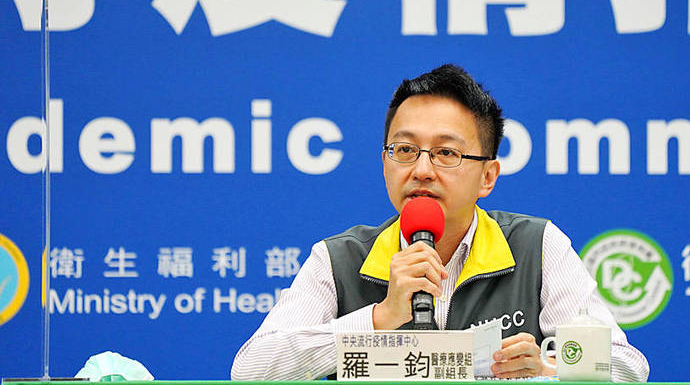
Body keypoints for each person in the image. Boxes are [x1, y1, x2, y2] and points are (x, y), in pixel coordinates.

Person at [231, 64, 649, 381]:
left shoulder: (536, 246)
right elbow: (251, 370)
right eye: (404, 150)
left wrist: (549, 369)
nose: (422, 170)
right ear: (385, 163)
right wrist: (379, 318)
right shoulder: (340, 258)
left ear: (487, 176)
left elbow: (627, 366)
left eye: (446, 153)